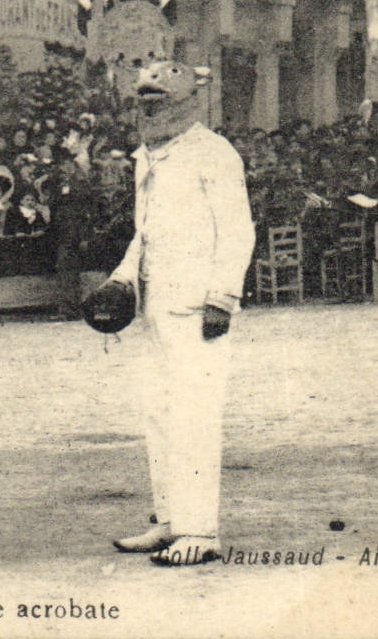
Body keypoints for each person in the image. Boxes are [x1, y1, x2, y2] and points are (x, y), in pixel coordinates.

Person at [85, 56, 253, 568]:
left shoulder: (213, 152)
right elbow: (146, 232)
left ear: (188, 99)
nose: (149, 109)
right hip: (155, 307)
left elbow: (238, 230)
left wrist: (223, 298)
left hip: (198, 308)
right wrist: (120, 278)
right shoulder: (148, 157)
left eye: (158, 100)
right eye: (144, 101)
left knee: (194, 416)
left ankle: (200, 531)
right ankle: (168, 521)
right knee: (159, 414)